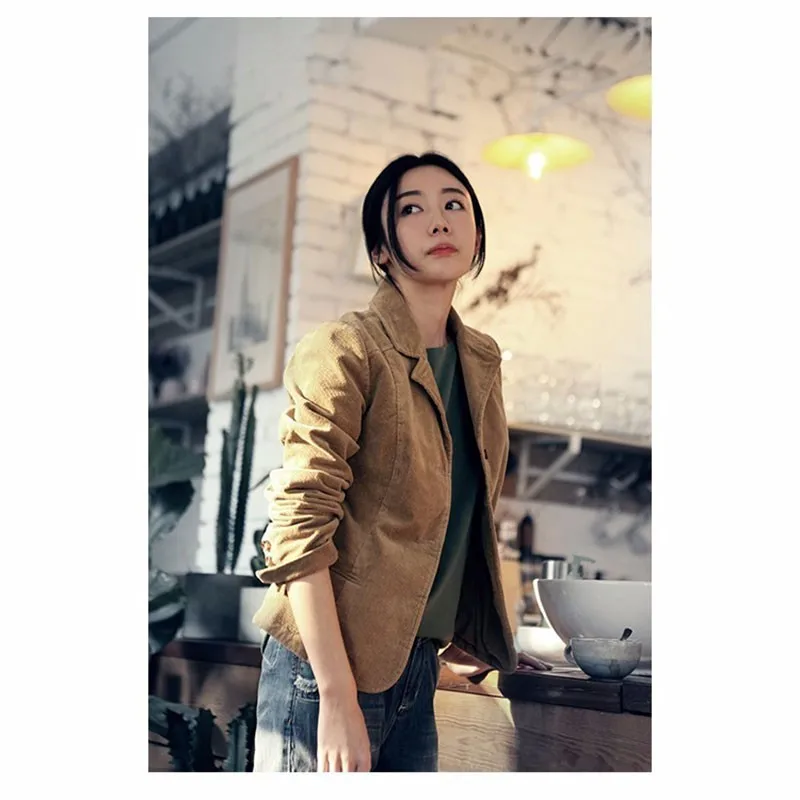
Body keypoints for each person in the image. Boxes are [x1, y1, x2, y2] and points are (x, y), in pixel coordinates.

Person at [251, 152, 550, 773]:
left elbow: (454, 520)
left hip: (415, 667)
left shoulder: (481, 361)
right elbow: (298, 530)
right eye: (411, 209)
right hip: (325, 672)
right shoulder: (345, 348)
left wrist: (465, 637)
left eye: (454, 205)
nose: (439, 220)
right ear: (382, 250)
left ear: (476, 237)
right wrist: (336, 695)